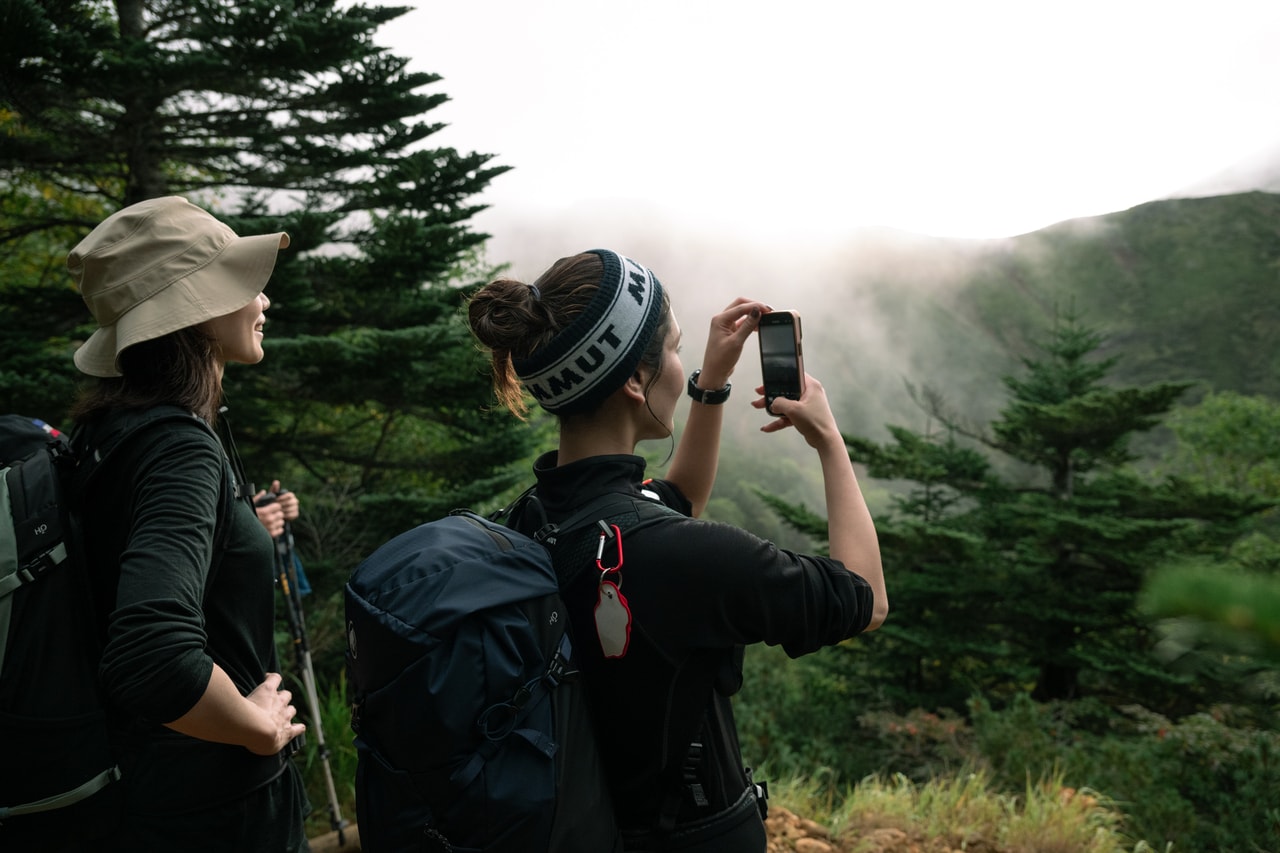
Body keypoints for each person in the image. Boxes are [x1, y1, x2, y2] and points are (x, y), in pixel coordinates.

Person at [467, 249, 886, 851]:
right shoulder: (688, 556)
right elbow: (865, 600)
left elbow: (678, 497)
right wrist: (828, 440)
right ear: (636, 382)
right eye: (674, 347)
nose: (680, 362)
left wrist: (708, 385)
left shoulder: (534, 518)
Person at [66, 196, 309, 852]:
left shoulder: (109, 433)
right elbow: (150, 657)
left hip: (141, 799)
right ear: (197, 308)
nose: (262, 300)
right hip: (214, 812)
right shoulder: (178, 445)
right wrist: (259, 729)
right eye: (244, 284)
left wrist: (240, 528)